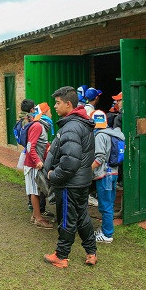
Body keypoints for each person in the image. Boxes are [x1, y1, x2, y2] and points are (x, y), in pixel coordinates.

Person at [43, 86, 97, 268]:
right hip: (81, 181)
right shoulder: (81, 123)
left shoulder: (72, 127)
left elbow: (70, 162)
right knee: (82, 216)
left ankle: (61, 255)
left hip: (69, 183)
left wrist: (53, 175)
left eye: (58, 103)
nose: (55, 106)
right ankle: (91, 252)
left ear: (68, 104)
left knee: (67, 219)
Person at [91, 110, 125, 243]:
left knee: (105, 206)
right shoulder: (115, 134)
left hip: (104, 175)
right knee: (109, 204)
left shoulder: (100, 136)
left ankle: (107, 235)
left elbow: (100, 158)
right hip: (114, 173)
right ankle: (106, 229)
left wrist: (89, 170)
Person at [20, 100, 54, 229]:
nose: (51, 113)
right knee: (35, 191)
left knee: (36, 190)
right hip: (34, 164)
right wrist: (38, 161)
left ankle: (35, 215)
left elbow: (39, 143)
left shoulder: (41, 125)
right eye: (50, 111)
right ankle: (38, 219)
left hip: (35, 163)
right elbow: (30, 146)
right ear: (44, 112)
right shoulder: (37, 126)